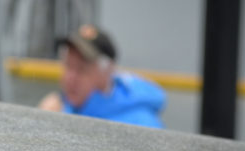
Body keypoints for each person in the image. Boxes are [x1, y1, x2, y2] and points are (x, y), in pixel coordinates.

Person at [38, 24, 166, 128]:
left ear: (107, 71)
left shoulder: (141, 124)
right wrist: (43, 121)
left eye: (82, 70)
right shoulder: (59, 107)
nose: (70, 78)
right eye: (68, 66)